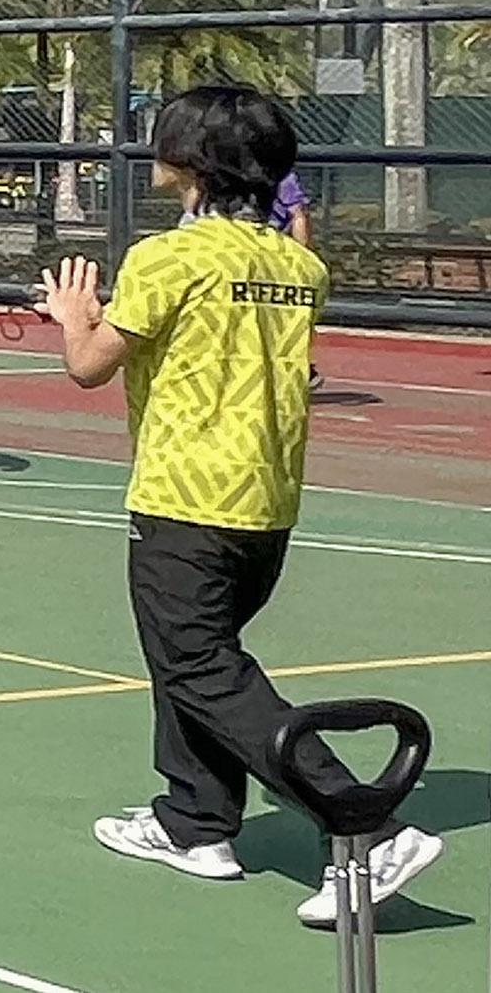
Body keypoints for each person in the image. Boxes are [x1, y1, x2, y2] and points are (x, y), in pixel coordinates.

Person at [37, 85, 441, 924]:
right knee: (195, 658)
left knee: (198, 665)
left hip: (184, 495)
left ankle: (365, 825)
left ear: (189, 163)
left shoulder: (168, 258)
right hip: (267, 499)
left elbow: (89, 367)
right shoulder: (299, 265)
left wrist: (73, 317)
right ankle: (196, 823)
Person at [269, 169, 323, 390]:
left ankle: (297, 365)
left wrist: (303, 256)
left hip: (270, 254)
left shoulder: (281, 175)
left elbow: (298, 214)